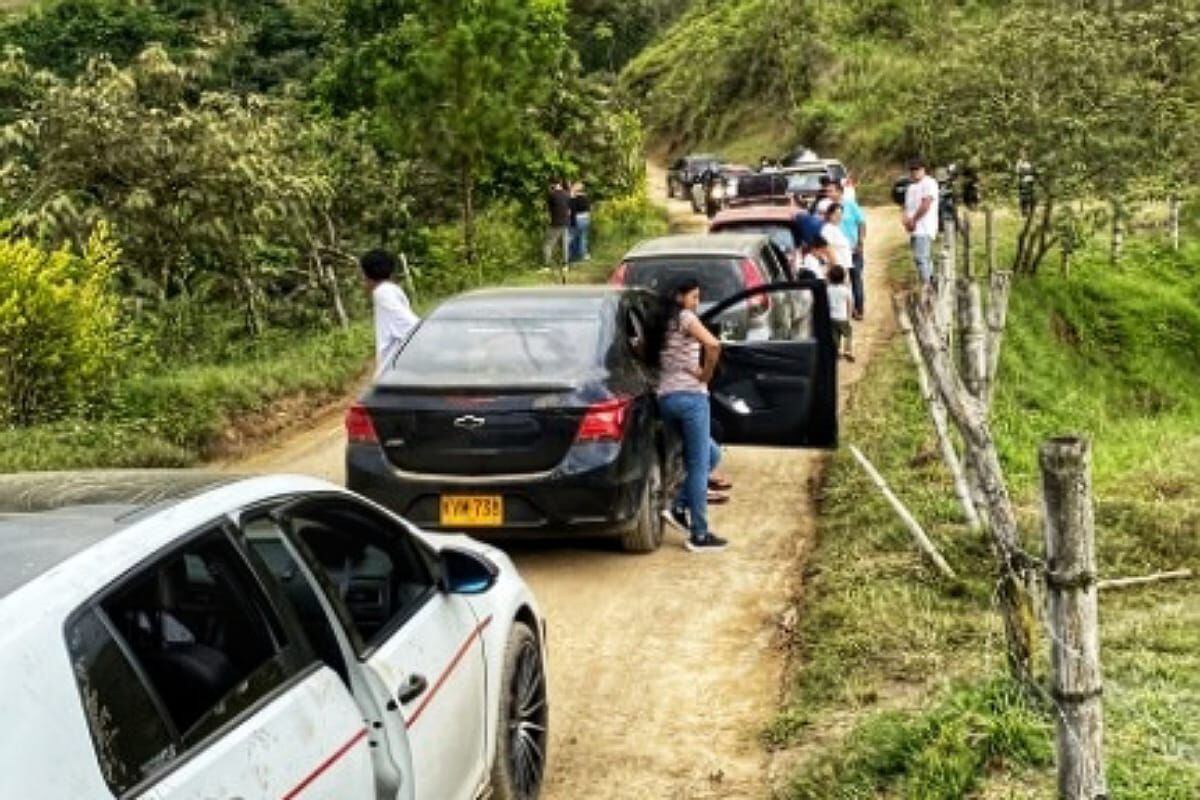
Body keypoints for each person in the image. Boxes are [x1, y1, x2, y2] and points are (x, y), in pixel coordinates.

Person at [651, 277, 728, 553]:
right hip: (692, 399)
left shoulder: (661, 323)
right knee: (697, 465)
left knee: (712, 455)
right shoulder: (685, 317)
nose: (697, 303)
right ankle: (699, 534)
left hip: (666, 398)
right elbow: (714, 345)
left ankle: (680, 506)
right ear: (680, 297)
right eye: (694, 297)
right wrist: (706, 375)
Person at [359, 249, 420, 376]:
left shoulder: (383, 293)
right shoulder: (391, 289)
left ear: (366, 274)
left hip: (392, 379)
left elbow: (411, 326)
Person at [831, 181, 867, 319]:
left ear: (840, 192)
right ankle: (843, 312)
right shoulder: (828, 207)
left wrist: (860, 241)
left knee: (856, 278)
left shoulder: (851, 205)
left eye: (832, 191)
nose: (830, 193)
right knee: (840, 282)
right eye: (828, 191)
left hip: (853, 249)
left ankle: (859, 309)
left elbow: (861, 222)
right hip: (837, 252)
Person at [903, 157, 940, 284]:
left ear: (923, 169)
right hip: (914, 229)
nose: (914, 172)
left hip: (924, 227)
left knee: (921, 258)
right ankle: (930, 284)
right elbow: (907, 208)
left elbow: (926, 204)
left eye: (917, 169)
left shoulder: (929, 183)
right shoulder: (911, 187)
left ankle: (928, 287)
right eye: (912, 169)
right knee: (920, 259)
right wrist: (906, 221)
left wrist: (913, 220)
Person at [826, 264, 854, 363]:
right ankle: (847, 351)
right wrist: (849, 317)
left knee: (835, 336)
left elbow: (826, 303)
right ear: (843, 277)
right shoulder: (846, 290)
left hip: (832, 317)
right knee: (848, 334)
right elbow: (849, 304)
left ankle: (838, 352)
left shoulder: (828, 290)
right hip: (843, 317)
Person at [544, 180, 572, 277]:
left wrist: (550, 191)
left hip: (555, 223)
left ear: (553, 185)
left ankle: (547, 265)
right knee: (565, 244)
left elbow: (548, 210)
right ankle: (565, 265)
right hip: (566, 223)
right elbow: (569, 210)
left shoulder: (551, 195)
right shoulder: (567, 195)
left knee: (548, 244)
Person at [821, 202, 853, 274]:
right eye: (836, 214)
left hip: (844, 266)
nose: (839, 217)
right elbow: (828, 248)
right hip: (837, 268)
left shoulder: (836, 228)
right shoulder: (828, 229)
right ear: (829, 215)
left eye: (841, 214)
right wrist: (836, 268)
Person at [569, 182, 592, 263]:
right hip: (586, 218)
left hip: (578, 218)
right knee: (583, 237)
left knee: (572, 238)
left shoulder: (575, 198)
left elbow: (572, 209)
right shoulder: (585, 197)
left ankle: (572, 256)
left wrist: (571, 197)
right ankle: (583, 255)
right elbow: (589, 209)